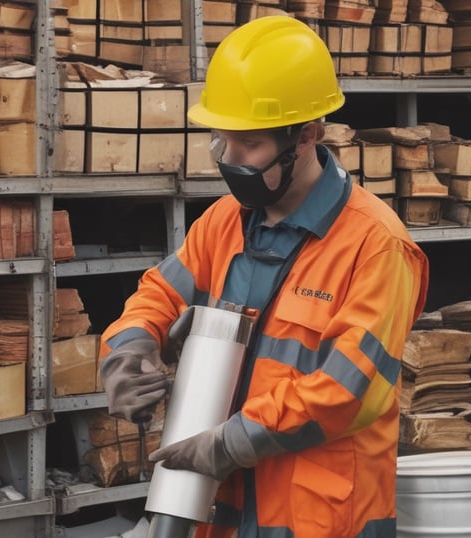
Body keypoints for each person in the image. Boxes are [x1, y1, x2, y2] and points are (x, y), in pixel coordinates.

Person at [99, 15, 429, 538]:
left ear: (307, 136)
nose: (231, 160)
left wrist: (232, 441)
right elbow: (158, 294)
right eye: (224, 141)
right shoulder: (222, 223)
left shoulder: (375, 245)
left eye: (248, 144)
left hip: (316, 519)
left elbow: (349, 389)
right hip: (216, 512)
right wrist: (128, 351)